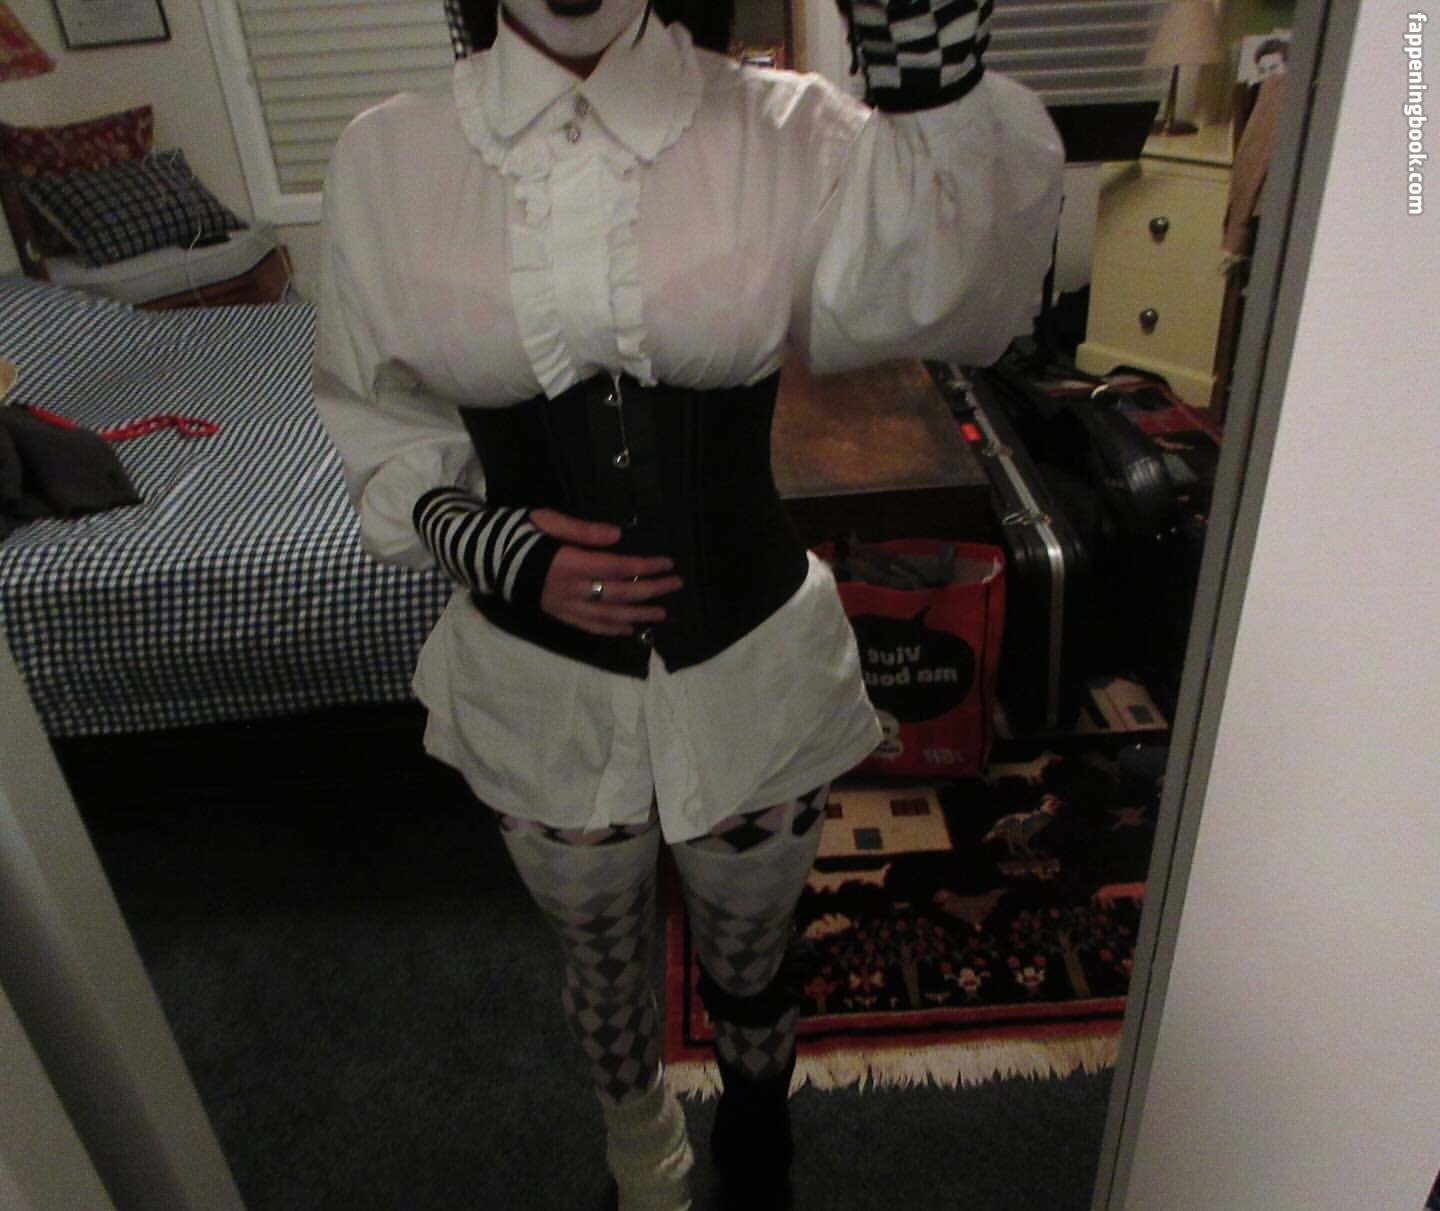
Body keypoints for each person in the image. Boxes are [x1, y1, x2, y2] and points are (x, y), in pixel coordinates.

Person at [311, 1, 1062, 1207]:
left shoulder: (781, 127)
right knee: (604, 970)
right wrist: (490, 542)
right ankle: (642, 1157)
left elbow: (959, 300)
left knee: (752, 960)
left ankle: (759, 1141)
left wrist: (936, 81)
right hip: (538, 687)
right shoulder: (388, 156)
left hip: (752, 662)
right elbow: (374, 409)